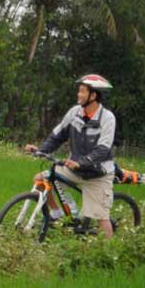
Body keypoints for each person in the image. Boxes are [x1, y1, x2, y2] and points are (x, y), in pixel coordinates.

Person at [24, 74, 118, 237]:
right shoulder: (75, 112)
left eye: (82, 91)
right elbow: (58, 135)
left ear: (93, 95)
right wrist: (41, 150)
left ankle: (108, 254)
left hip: (98, 174)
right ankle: (58, 213)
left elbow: (103, 149)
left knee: (101, 217)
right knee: (41, 179)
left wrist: (82, 162)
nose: (78, 94)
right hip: (74, 169)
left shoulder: (107, 118)